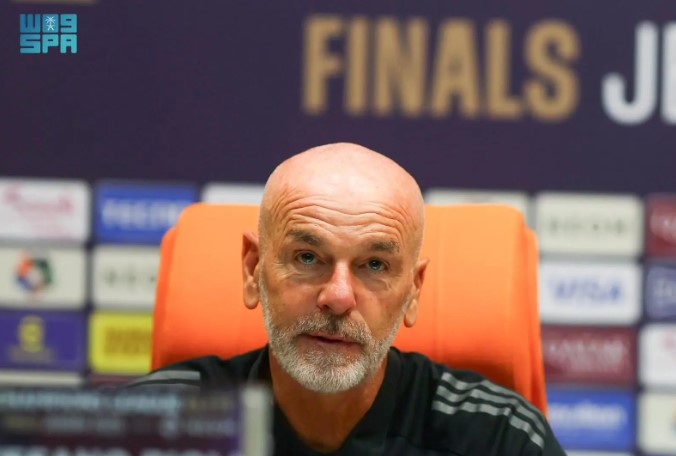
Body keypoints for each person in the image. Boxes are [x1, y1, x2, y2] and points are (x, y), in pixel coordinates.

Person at [130, 143, 566, 455]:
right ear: (253, 269)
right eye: (307, 257)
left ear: (413, 291)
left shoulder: (499, 438)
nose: (338, 297)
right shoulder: (151, 425)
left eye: (374, 265)